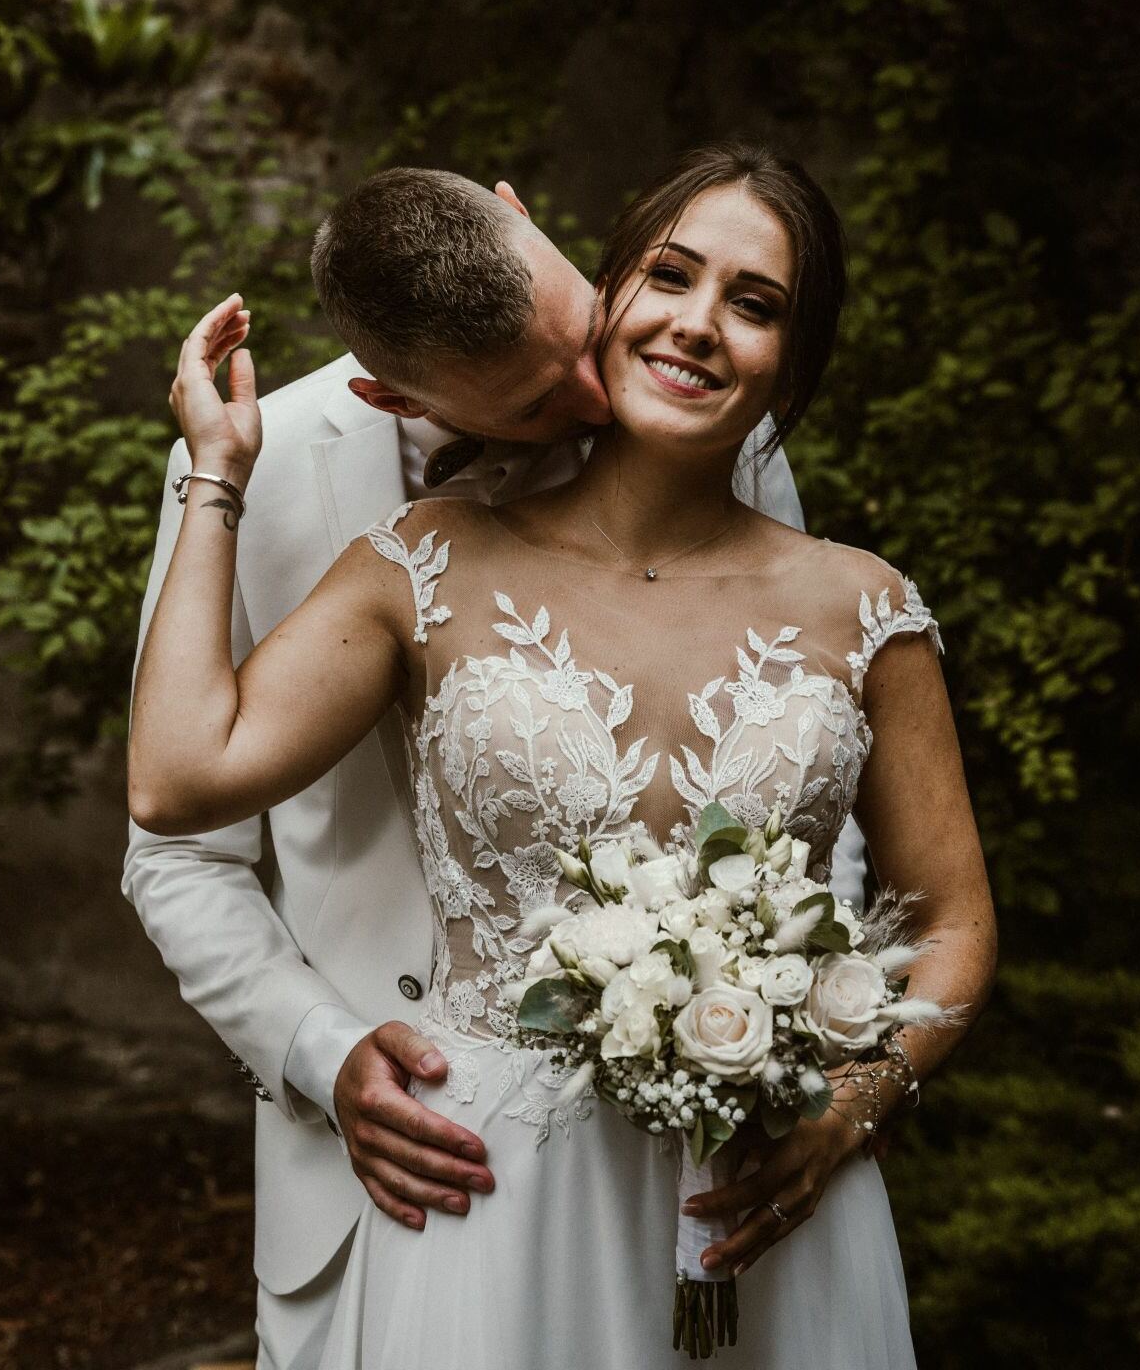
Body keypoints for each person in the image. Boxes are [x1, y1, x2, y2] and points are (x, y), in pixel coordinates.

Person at [129, 142, 996, 1367]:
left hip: (749, 1157)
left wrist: (831, 1070)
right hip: (470, 1169)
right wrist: (217, 473)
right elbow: (175, 810)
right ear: (401, 401)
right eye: (541, 403)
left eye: (753, 305)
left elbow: (820, 809)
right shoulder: (407, 553)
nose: (601, 392)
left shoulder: (830, 565)